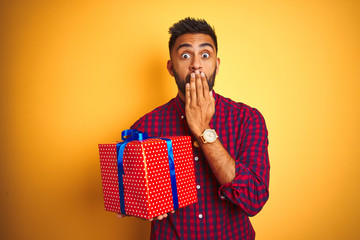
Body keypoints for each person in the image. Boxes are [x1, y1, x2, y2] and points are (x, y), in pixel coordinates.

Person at [118, 17, 270, 240]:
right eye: (186, 55)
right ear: (171, 67)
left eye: (205, 55)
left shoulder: (247, 119)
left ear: (217, 65)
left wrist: (203, 129)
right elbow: (131, 199)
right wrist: (139, 204)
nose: (196, 64)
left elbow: (254, 199)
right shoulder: (144, 127)